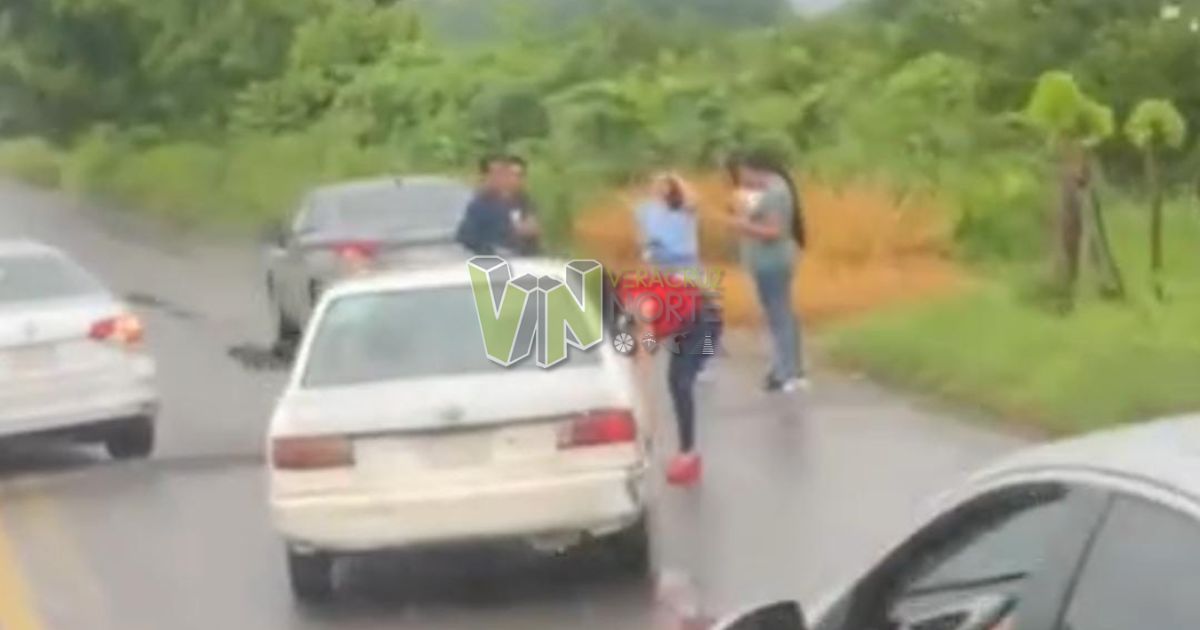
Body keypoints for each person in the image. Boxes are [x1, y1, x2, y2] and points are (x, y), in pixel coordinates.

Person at [617, 273, 722, 486]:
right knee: (675, 381)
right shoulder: (627, 295)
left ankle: (688, 456)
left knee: (680, 382)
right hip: (687, 321)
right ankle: (683, 451)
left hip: (704, 323)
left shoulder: (639, 306)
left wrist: (646, 407)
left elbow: (646, 354)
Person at [722, 149, 807, 393]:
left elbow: (773, 231)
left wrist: (739, 225)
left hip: (772, 262)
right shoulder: (772, 191)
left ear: (754, 169)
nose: (743, 180)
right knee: (781, 313)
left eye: (743, 174)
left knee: (778, 315)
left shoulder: (775, 193)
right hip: (768, 261)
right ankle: (791, 368)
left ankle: (786, 371)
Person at [455, 154, 541, 257]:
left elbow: (533, 239)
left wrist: (531, 232)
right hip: (492, 259)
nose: (509, 180)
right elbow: (467, 238)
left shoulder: (524, 202)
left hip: (524, 259)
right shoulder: (481, 204)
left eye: (517, 176)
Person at [635, 172, 700, 271]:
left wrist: (674, 179)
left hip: (685, 258)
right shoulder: (644, 209)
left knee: (694, 285)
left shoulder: (684, 207)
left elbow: (692, 198)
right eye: (658, 186)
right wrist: (645, 251)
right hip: (660, 259)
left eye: (665, 186)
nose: (661, 189)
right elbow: (642, 234)